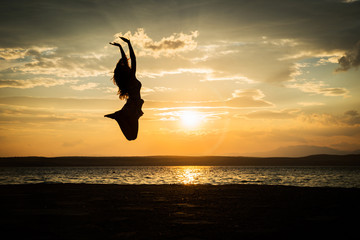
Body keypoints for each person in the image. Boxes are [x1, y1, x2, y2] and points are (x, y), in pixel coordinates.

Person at [104, 37, 144, 141]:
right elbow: (133, 58)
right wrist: (128, 44)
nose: (128, 66)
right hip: (133, 107)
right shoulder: (131, 77)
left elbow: (128, 60)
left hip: (132, 106)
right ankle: (119, 117)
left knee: (131, 137)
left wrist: (121, 47)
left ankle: (119, 117)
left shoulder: (127, 80)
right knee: (132, 137)